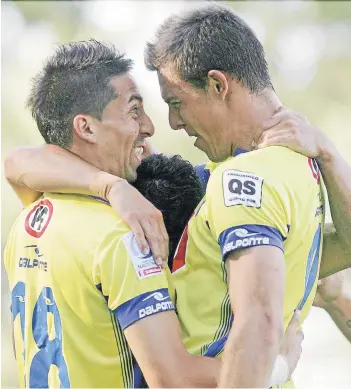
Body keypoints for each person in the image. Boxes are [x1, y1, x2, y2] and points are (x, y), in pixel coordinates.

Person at [3, 40, 304, 389]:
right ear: (86, 128)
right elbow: (176, 379)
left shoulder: (27, 220)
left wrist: (114, 186)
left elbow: (16, 163)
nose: (149, 126)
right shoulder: (126, 237)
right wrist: (280, 364)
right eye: (134, 111)